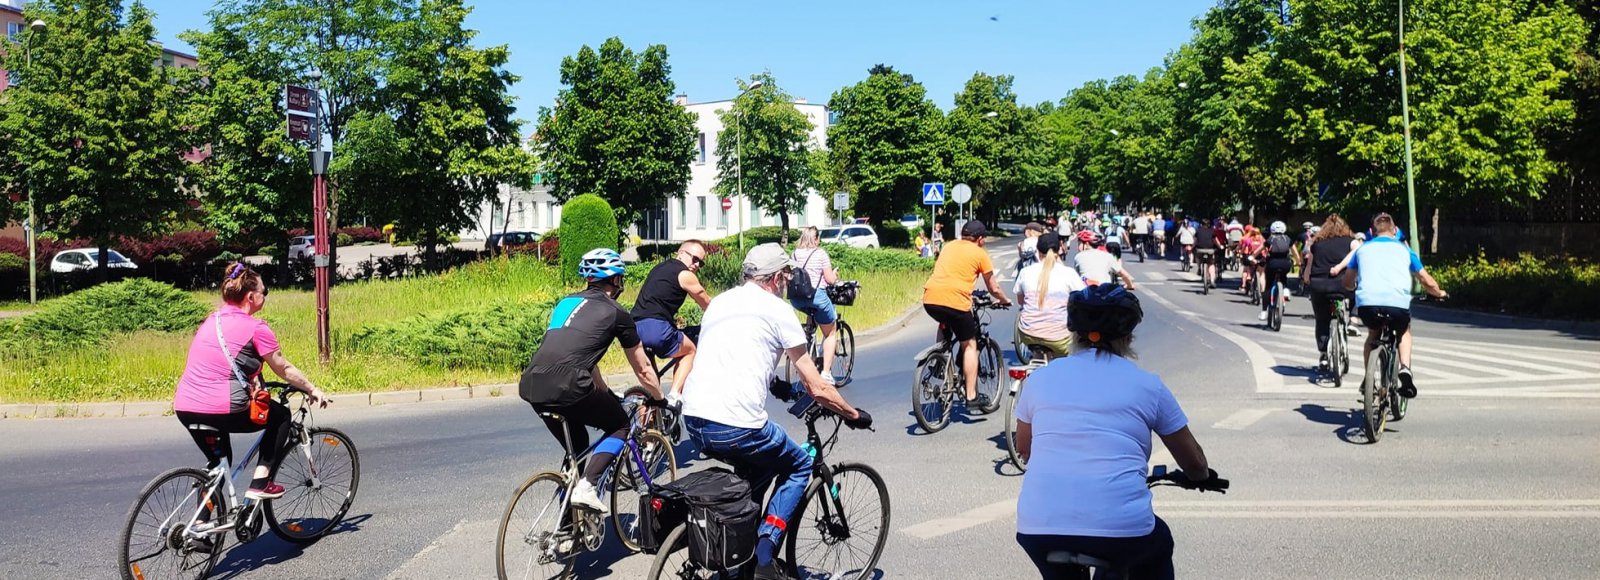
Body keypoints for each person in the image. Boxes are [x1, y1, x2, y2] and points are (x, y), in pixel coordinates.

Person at [682, 243, 871, 580]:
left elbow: (738, 356)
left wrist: (779, 387)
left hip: (694, 420)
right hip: (736, 425)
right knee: (799, 464)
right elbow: (816, 386)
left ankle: (739, 551)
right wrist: (852, 414)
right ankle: (765, 558)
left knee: (758, 470)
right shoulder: (778, 310)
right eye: (785, 276)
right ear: (775, 278)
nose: (786, 282)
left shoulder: (720, 303)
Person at [1013, 283, 1213, 580]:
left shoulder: (1039, 380)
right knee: (1158, 545)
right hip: (1124, 531)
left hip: (1038, 527)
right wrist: (1201, 477)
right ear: (1128, 335)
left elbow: (1025, 449)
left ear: (1074, 332)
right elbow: (1194, 462)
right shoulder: (1148, 385)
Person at [520, 248, 664, 513]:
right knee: (620, 425)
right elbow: (643, 368)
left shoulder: (565, 303)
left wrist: (607, 393)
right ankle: (587, 486)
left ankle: (565, 528)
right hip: (570, 384)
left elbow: (584, 356)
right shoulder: (617, 312)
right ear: (614, 279)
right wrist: (659, 398)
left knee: (577, 448)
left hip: (532, 383)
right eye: (620, 277)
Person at [174, 263, 327, 507]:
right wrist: (312, 388)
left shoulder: (210, 320)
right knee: (280, 417)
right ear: (251, 296)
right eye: (264, 292)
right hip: (222, 406)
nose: (265, 296)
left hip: (185, 405)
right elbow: (283, 368)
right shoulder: (256, 328)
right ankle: (261, 483)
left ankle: (200, 529)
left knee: (218, 465)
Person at [1338, 213, 1448, 398]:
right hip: (1397, 306)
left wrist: (1352, 287)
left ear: (1372, 232)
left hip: (1368, 306)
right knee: (1404, 330)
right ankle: (1405, 368)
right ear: (1395, 230)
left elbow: (1348, 281)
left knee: (1373, 334)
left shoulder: (1361, 250)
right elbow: (1425, 279)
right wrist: (1439, 293)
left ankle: (1368, 378)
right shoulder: (1405, 250)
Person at [923, 220, 1013, 409]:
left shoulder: (949, 246)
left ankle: (939, 358)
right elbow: (993, 287)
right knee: (970, 344)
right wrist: (1005, 300)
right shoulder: (980, 254)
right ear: (980, 239)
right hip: (956, 301)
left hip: (930, 298)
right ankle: (971, 396)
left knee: (944, 322)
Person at [631, 241, 713, 399]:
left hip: (634, 330)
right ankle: (675, 395)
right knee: (690, 350)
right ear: (681, 253)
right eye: (694, 259)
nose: (696, 265)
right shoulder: (684, 274)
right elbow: (707, 303)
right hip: (656, 329)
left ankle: (645, 423)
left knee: (652, 387)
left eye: (700, 263)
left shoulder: (658, 269)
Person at [1013, 232, 1086, 358]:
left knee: (1039, 348)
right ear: (1060, 249)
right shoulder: (1068, 273)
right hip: (1060, 339)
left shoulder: (1025, 272)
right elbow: (1083, 300)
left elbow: (1021, 301)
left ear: (1038, 251)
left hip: (1027, 334)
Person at [1304, 216, 1361, 371]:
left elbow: (1308, 269)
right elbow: (1358, 250)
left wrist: (1307, 280)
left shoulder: (1316, 244)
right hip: (1341, 285)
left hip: (1319, 286)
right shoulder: (1350, 241)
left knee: (1321, 319)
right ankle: (1353, 320)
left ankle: (1323, 354)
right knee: (1357, 294)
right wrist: (1340, 267)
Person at [791, 227, 845, 383]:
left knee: (810, 314)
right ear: (815, 239)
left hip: (797, 299)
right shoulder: (821, 254)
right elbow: (829, 280)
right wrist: (835, 275)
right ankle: (826, 374)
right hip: (816, 296)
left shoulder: (794, 253)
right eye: (818, 238)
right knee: (830, 333)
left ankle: (809, 335)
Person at [1257, 221, 1296, 321]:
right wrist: (1299, 262)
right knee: (1283, 276)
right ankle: (1285, 290)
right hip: (1285, 264)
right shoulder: (1287, 239)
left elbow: (1259, 249)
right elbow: (1295, 251)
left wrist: (1252, 256)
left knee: (1268, 286)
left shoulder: (1270, 239)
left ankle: (1264, 311)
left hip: (1272, 263)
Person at [1237, 226, 1264, 295]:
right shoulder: (1262, 240)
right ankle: (1263, 289)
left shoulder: (1248, 240)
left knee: (1249, 268)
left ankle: (1249, 277)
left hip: (1252, 257)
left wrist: (1240, 253)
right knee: (1262, 274)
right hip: (1261, 257)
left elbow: (1243, 249)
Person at [1193, 219, 1218, 285]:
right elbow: (1215, 240)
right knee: (1211, 264)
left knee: (1197, 257)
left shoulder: (1198, 231)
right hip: (1210, 250)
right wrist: (1220, 246)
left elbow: (1195, 241)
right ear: (1209, 224)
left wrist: (1192, 247)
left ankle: (1199, 268)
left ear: (1201, 224)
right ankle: (1212, 280)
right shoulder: (1212, 231)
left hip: (1200, 249)